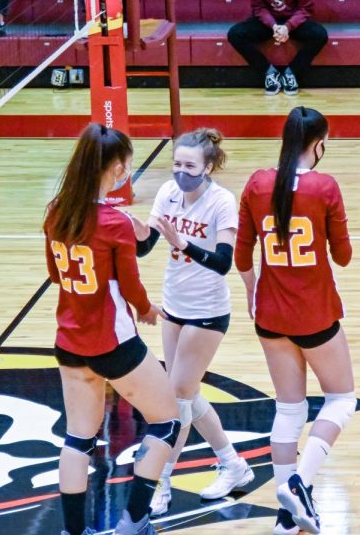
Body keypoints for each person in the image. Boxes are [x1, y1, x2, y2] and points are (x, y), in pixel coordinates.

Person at [43, 123, 179, 535]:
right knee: (167, 422)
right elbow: (131, 284)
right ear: (118, 167)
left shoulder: (56, 210)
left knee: (78, 439)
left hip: (69, 341)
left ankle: (73, 531)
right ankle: (133, 520)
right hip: (112, 342)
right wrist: (147, 309)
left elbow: (55, 275)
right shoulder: (114, 221)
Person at [235, 107, 355, 535]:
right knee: (341, 400)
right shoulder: (324, 186)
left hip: (269, 314)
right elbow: (342, 256)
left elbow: (241, 255)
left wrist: (252, 293)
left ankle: (287, 518)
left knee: (289, 409)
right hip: (315, 313)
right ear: (318, 143)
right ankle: (301, 485)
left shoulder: (257, 182)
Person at [130, 128, 255, 517]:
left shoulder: (222, 202)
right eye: (178, 164)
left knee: (176, 399)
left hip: (208, 312)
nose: (182, 172)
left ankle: (162, 477)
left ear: (208, 166)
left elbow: (222, 263)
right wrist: (122, 223)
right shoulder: (168, 192)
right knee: (188, 393)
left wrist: (183, 244)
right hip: (174, 306)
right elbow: (145, 245)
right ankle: (233, 465)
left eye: (190, 166)